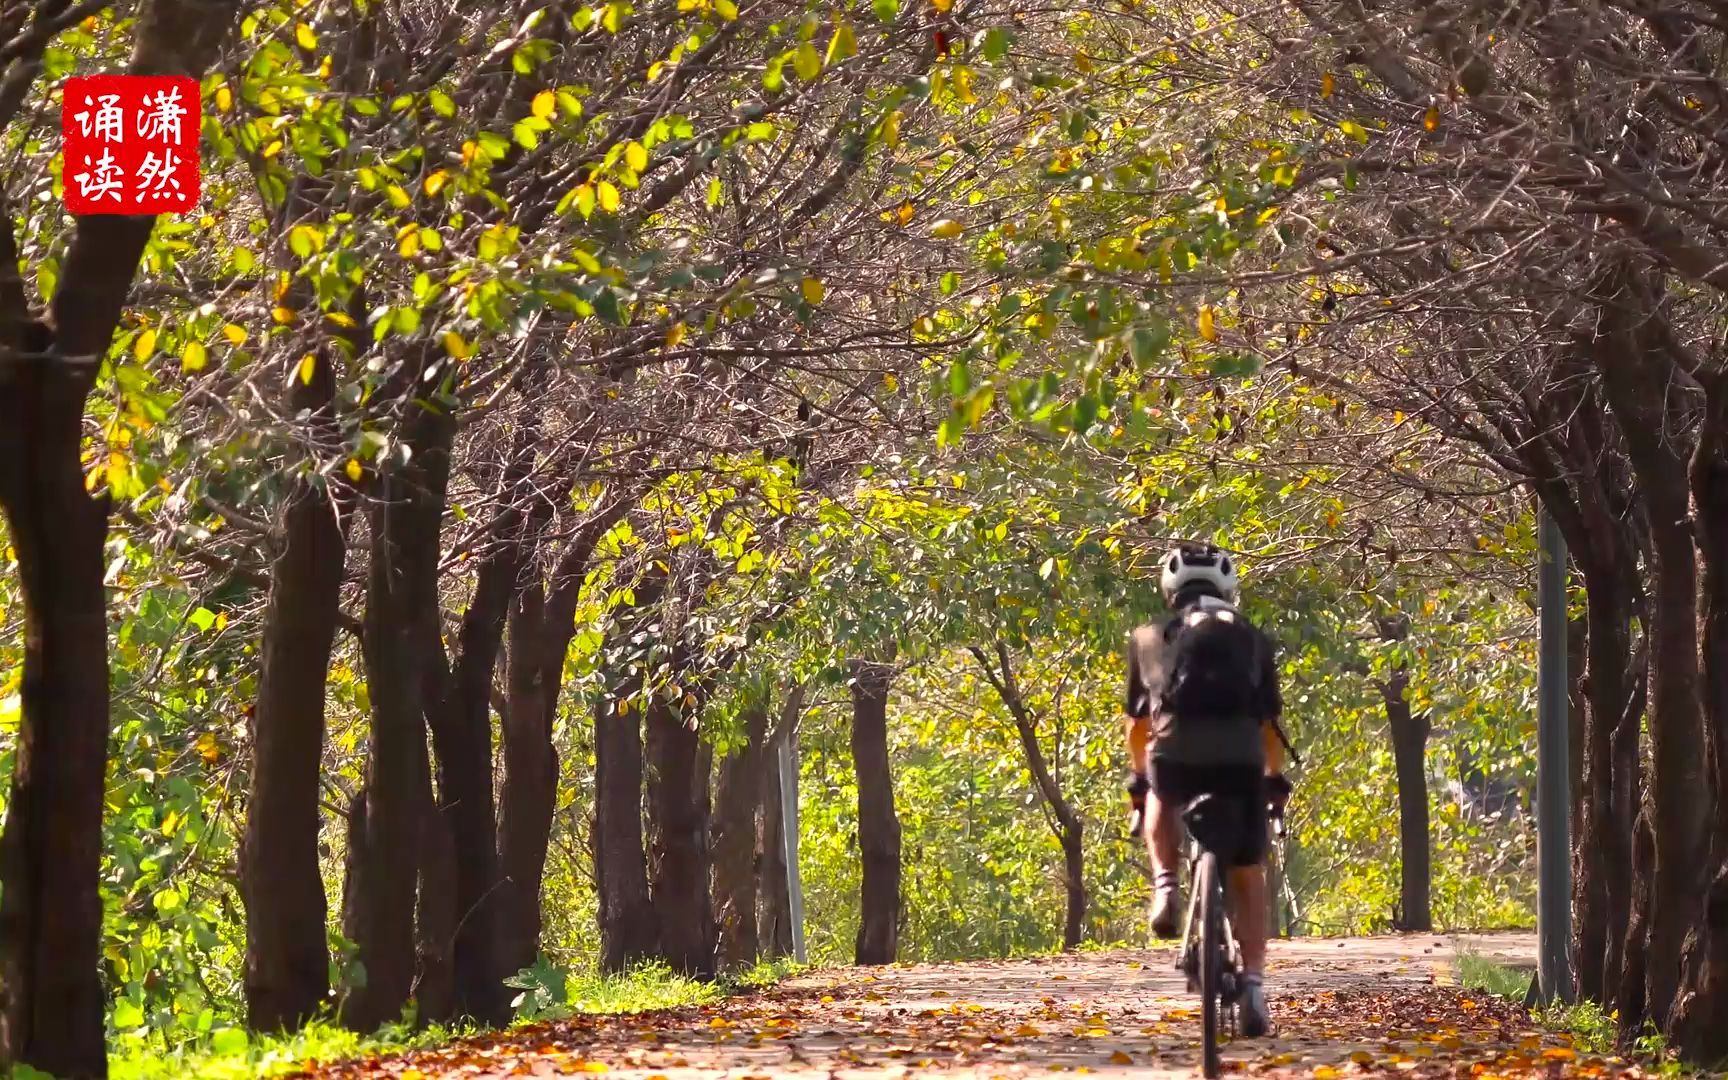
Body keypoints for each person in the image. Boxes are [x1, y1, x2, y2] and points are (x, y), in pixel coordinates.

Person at [1122, 542, 1292, 1039]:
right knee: (1247, 870)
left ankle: (1167, 886)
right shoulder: (1253, 638)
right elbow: (1269, 727)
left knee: (1159, 788)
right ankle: (1256, 987)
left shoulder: (1150, 637)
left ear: (1170, 588)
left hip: (1175, 754)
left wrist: (1139, 779)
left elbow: (1137, 727)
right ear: (1227, 587)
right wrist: (1272, 781)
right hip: (1240, 759)